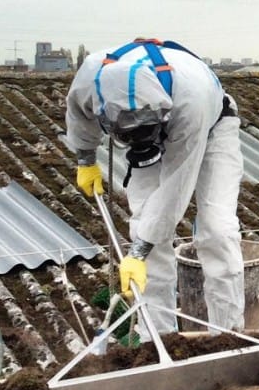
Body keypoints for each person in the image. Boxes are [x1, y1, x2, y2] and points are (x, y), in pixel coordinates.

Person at [65, 38, 244, 339]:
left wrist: (136, 252)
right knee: (143, 227)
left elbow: (174, 193)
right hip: (149, 136)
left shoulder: (191, 102)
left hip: (212, 127)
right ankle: (157, 339)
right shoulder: (93, 78)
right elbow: (78, 112)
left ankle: (230, 337)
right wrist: (85, 158)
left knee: (217, 229)